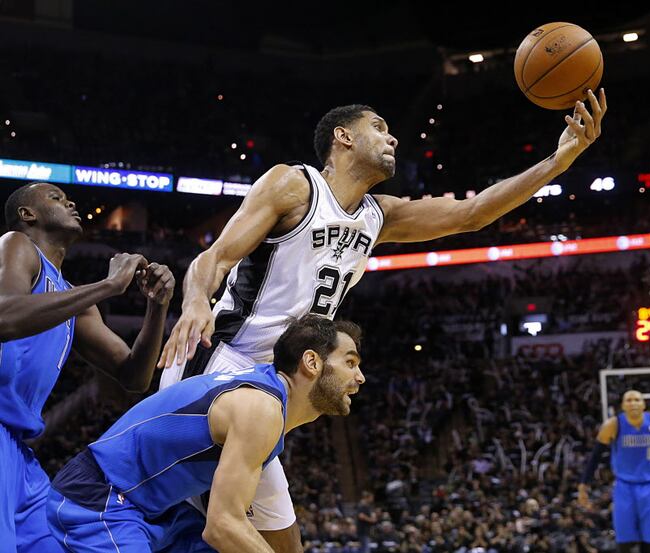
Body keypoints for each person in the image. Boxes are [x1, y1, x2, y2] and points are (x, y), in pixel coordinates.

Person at [156, 91, 607, 549]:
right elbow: (213, 258)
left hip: (274, 383)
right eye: (379, 126)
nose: (392, 137)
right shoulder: (293, 185)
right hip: (220, 360)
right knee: (203, 525)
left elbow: (472, 215)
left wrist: (557, 161)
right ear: (343, 136)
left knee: (276, 542)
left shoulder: (379, 215)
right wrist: (195, 299)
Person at [47, 314, 364, 552]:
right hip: (101, 498)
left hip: (156, 511)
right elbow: (222, 525)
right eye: (350, 363)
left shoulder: (265, 393)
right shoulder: (261, 408)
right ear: (311, 362)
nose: (360, 377)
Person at [0, 182, 175, 551]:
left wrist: (156, 306)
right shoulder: (16, 245)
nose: (71, 202)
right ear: (27, 214)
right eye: (56, 198)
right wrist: (110, 285)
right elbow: (3, 316)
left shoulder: (74, 299)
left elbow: (134, 376)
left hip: (20, 455)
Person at [577, 389, 650, 553]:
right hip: (624, 487)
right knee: (625, 541)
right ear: (623, 405)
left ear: (644, 404)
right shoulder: (613, 425)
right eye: (629, 400)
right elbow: (595, 457)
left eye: (637, 400)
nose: (633, 403)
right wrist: (583, 485)